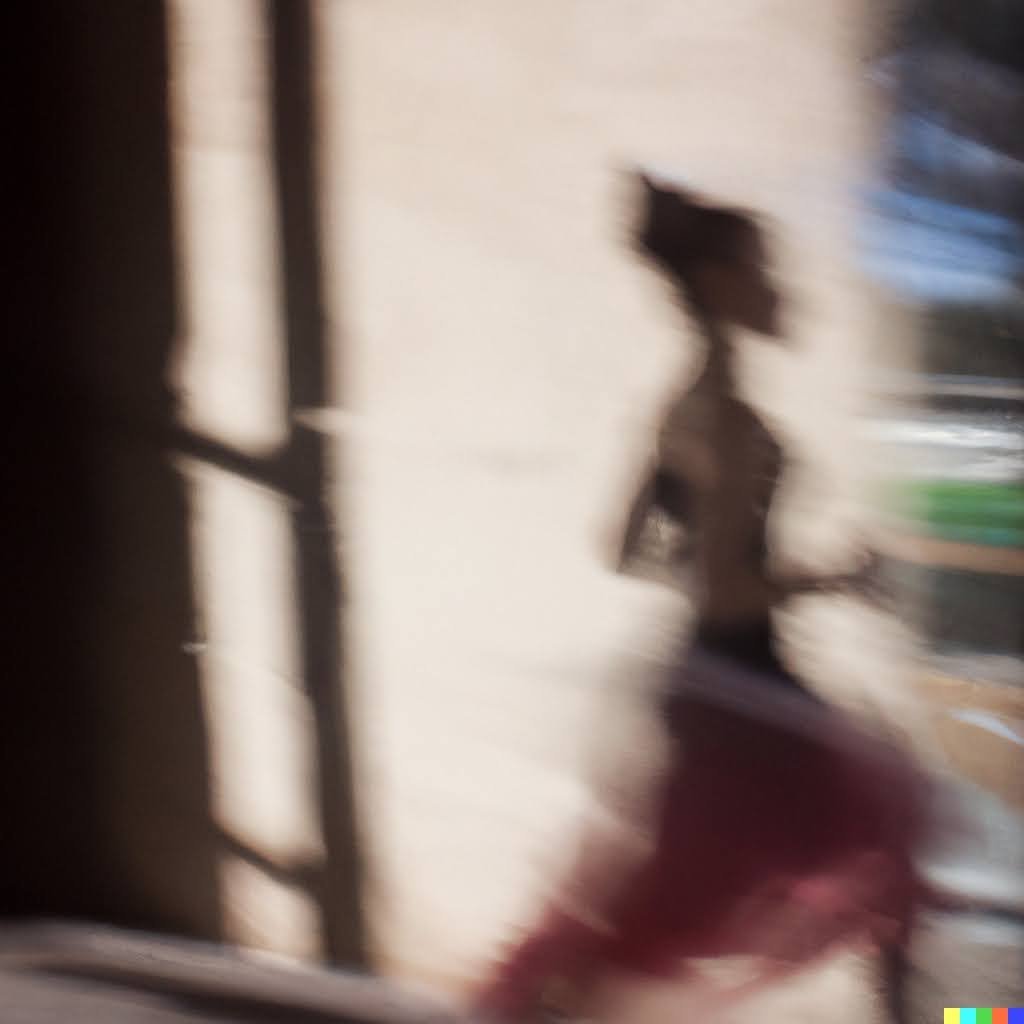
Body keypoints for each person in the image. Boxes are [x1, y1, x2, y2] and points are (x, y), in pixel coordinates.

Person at [470, 173, 941, 1022]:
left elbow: (623, 550)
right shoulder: (723, 413)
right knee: (889, 857)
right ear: (721, 286)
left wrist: (725, 565)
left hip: (719, 689)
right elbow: (727, 589)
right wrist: (835, 577)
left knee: (661, 927)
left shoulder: (685, 402)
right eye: (763, 271)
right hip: (740, 696)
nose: (779, 291)